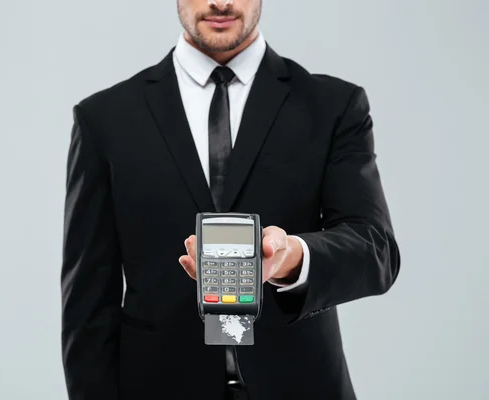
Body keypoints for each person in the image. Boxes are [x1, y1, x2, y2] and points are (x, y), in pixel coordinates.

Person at [60, 0, 401, 399]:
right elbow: (87, 304)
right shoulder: (104, 118)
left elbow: (375, 249)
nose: (220, 1)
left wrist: (292, 258)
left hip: (301, 386)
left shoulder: (333, 106)